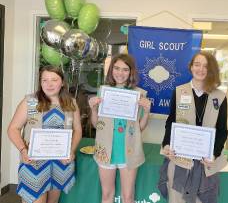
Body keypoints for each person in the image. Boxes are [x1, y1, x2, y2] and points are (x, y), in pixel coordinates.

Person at [8, 65, 82, 203]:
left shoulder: (71, 103)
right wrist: (23, 150)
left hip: (61, 163)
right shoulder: (30, 102)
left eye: (54, 79)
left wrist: (71, 150)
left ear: (62, 82)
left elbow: (77, 130)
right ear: (40, 82)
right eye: (45, 80)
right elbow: (13, 128)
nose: (49, 84)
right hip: (33, 163)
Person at [161, 52, 228, 203]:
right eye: (197, 64)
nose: (200, 69)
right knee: (177, 198)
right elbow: (171, 122)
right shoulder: (179, 91)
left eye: (206, 66)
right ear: (191, 67)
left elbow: (222, 130)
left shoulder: (220, 96)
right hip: (180, 159)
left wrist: (215, 154)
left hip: (206, 163)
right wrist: (166, 143)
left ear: (211, 70)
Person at [88, 53, 151, 203]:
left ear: (131, 72)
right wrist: (93, 109)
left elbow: (140, 128)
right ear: (111, 70)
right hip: (106, 151)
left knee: (128, 197)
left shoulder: (139, 94)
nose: (120, 73)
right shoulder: (103, 91)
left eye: (125, 69)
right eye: (116, 68)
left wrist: (147, 111)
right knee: (106, 195)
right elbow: (96, 125)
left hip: (128, 151)